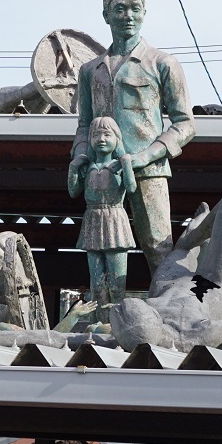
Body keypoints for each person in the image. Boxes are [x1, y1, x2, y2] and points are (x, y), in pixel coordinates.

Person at [0, 187, 222, 354]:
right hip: (208, 288)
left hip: (170, 284)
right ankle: (198, 233)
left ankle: (192, 237)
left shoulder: (123, 333)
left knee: (179, 251)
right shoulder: (190, 335)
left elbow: (53, 338)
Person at [73, 0, 195, 275]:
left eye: (135, 9)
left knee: (158, 246)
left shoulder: (163, 63)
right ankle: (104, 314)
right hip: (102, 174)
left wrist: (146, 156)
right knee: (101, 249)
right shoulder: (90, 70)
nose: (128, 15)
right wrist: (80, 155)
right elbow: (84, 124)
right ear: (106, 15)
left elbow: (185, 123)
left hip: (148, 171)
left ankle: (168, 312)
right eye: (120, 9)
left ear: (144, 14)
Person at [68, 117, 136, 321]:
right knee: (96, 283)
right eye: (96, 134)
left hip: (115, 219)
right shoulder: (87, 166)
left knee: (116, 283)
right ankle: (98, 320)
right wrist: (73, 168)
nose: (101, 139)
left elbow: (131, 188)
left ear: (117, 139)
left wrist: (127, 164)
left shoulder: (118, 165)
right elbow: (73, 192)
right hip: (93, 219)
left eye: (107, 134)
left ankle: (116, 322)